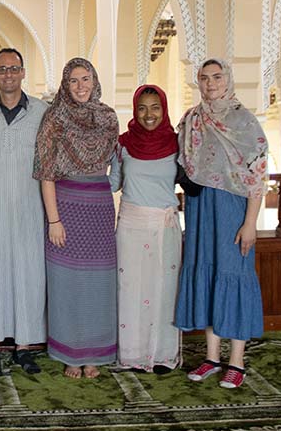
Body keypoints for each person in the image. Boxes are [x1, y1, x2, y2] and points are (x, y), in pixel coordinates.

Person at [176, 59, 268, 389]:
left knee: (234, 276)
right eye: (204, 78)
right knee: (209, 274)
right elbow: (182, 163)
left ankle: (237, 361)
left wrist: (250, 223)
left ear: (227, 79)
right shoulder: (192, 119)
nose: (210, 83)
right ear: (197, 82)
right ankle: (212, 358)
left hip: (233, 209)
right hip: (201, 207)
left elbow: (258, 176)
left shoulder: (244, 121)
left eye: (217, 77)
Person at [34, 58, 119, 378]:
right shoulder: (54, 118)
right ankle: (71, 354)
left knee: (99, 281)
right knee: (66, 281)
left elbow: (116, 163)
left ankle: (94, 354)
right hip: (65, 205)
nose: (81, 86)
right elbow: (45, 173)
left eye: (86, 79)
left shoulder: (108, 117)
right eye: (73, 80)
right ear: (65, 85)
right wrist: (54, 220)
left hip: (98, 205)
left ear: (94, 80)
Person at [0, 48, 49, 376]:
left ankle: (24, 347)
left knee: (28, 276)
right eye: (2, 69)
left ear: (23, 71)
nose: (8, 75)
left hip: (28, 208)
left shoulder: (43, 112)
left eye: (13, 69)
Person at [110, 85, 181, 374]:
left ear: (164, 110)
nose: (148, 114)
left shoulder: (177, 144)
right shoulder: (123, 144)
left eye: (155, 107)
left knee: (163, 290)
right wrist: (77, 183)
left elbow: (193, 178)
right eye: (142, 108)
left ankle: (162, 355)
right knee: (129, 289)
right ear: (134, 110)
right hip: (130, 225)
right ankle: (132, 356)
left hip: (164, 227)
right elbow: (113, 182)